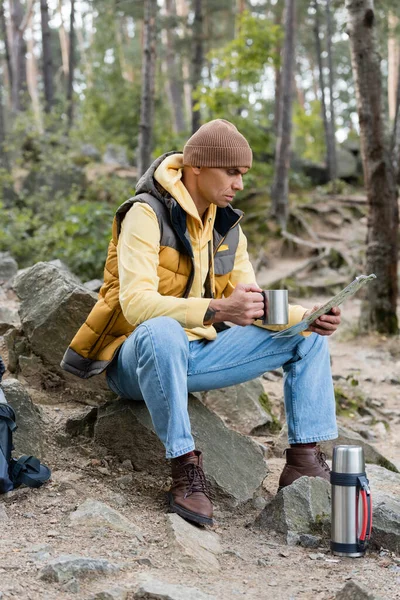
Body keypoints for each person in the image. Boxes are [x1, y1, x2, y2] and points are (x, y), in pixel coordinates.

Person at [61, 119, 341, 526]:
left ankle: (302, 461)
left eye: (242, 174)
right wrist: (216, 309)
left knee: (308, 339)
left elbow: (254, 303)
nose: (239, 185)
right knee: (162, 330)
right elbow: (136, 305)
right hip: (136, 361)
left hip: (197, 356)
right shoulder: (144, 213)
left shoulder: (227, 227)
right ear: (197, 168)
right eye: (232, 172)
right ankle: (184, 467)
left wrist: (309, 317)